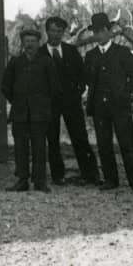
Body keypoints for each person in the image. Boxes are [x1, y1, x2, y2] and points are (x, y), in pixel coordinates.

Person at [84, 12, 133, 192]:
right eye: (95, 31)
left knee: (127, 144)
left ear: (109, 31)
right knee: (103, 144)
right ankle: (111, 180)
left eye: (102, 30)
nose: (98, 35)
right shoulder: (91, 55)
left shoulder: (122, 52)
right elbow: (87, 78)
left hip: (120, 106)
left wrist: (130, 94)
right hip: (99, 107)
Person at [1, 27, 60, 193]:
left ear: (38, 43)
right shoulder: (15, 62)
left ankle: (40, 181)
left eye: (33, 41)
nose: (29, 45)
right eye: (26, 41)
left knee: (39, 147)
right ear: (22, 43)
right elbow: (5, 86)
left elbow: (54, 88)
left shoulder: (46, 62)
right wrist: (18, 101)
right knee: (20, 148)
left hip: (40, 114)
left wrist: (42, 103)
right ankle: (22, 180)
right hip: (20, 113)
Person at [43, 16, 100, 186]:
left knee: (80, 136)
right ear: (47, 32)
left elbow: (83, 75)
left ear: (63, 33)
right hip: (49, 103)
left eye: (59, 31)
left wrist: (77, 92)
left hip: (71, 101)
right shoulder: (40, 54)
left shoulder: (70, 51)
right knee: (52, 139)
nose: (56, 34)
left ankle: (90, 174)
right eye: (53, 30)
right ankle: (57, 175)